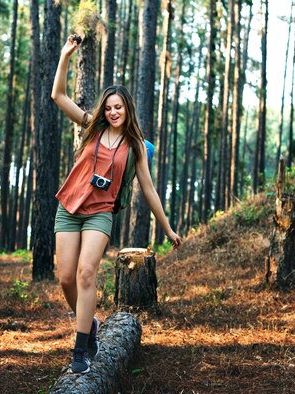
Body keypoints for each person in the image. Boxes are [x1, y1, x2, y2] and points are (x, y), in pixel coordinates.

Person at [51, 34, 182, 374]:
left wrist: (167, 228)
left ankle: (82, 349)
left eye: (118, 107)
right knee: (65, 277)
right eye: (108, 108)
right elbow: (59, 96)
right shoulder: (91, 127)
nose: (112, 112)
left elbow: (149, 190)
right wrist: (66, 55)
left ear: (127, 109)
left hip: (100, 212)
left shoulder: (136, 145)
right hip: (69, 205)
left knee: (85, 272)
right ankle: (90, 322)